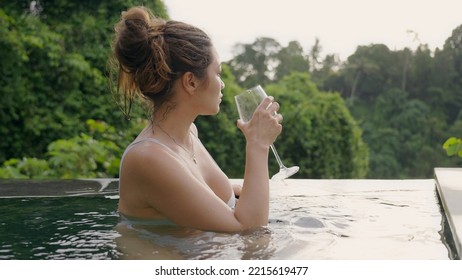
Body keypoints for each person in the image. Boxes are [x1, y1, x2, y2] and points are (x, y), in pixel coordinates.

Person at [111, 6, 283, 233]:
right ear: (191, 82)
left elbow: (189, 190)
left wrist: (236, 191)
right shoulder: (147, 158)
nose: (222, 84)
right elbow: (249, 230)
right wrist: (258, 145)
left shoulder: (189, 133)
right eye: (218, 73)